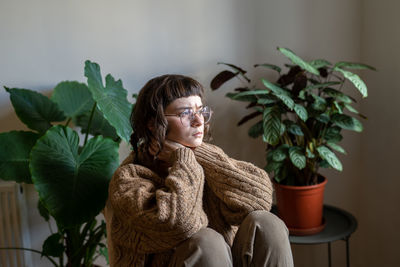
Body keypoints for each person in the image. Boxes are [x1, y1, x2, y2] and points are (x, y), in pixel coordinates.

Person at [104, 74, 294, 267]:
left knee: (267, 223)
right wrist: (185, 159)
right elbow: (180, 224)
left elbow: (260, 198)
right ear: (153, 123)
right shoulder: (129, 178)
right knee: (206, 242)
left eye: (201, 110)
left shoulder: (205, 158)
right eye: (185, 113)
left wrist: (199, 153)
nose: (198, 121)